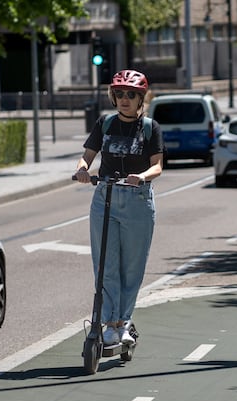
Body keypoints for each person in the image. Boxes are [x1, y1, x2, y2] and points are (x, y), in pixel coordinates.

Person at [74, 69, 164, 346]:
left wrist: (143, 176)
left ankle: (123, 322)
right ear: (113, 97)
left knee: (132, 267)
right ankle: (108, 323)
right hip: (105, 197)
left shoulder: (150, 127)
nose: (125, 99)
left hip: (137, 200)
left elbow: (158, 165)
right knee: (105, 264)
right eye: (120, 94)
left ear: (141, 99)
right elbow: (87, 156)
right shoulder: (105, 124)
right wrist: (82, 169)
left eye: (132, 95)